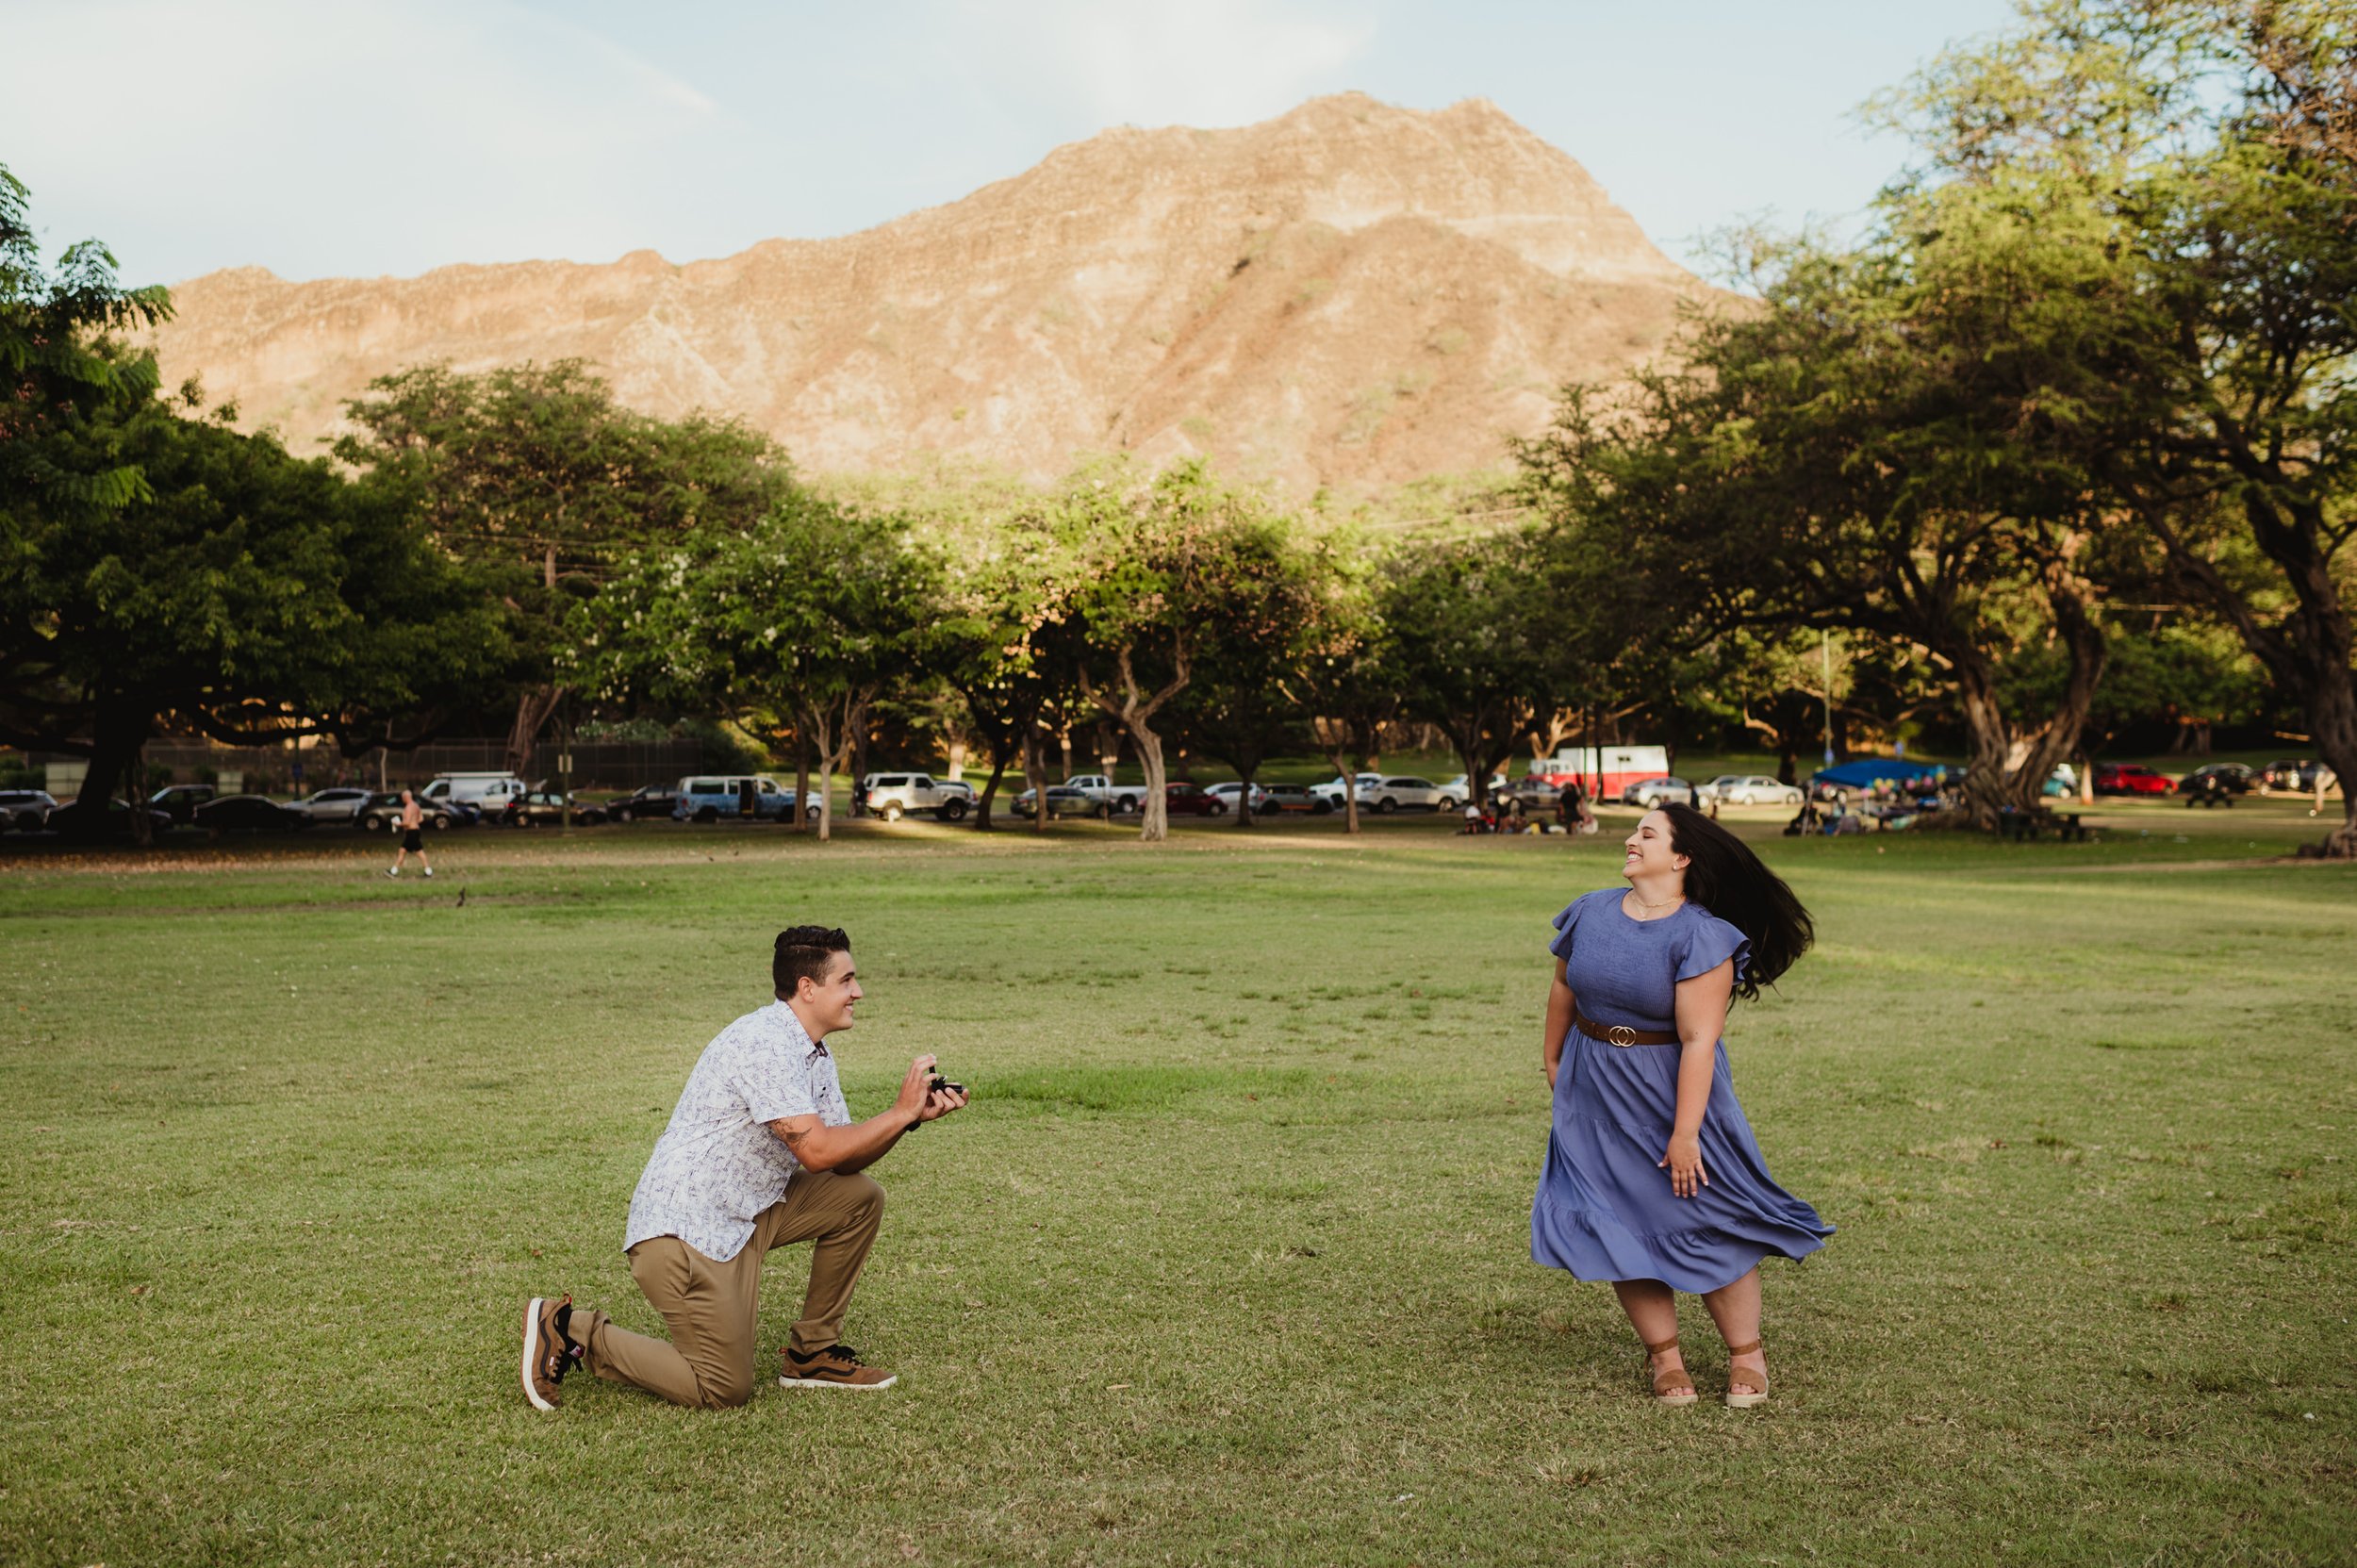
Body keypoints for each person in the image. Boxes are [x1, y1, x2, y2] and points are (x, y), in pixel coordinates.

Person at [519, 926, 966, 1410]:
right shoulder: (764, 1044)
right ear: (808, 987)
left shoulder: (813, 1053)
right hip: (686, 1233)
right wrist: (897, 1111)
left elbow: (841, 1160)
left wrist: (908, 1121)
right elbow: (816, 1153)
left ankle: (812, 1354)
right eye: (847, 980)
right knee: (722, 1388)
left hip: (746, 1216)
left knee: (859, 1198)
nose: (858, 991)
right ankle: (567, 1327)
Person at [1532, 803, 1830, 1409]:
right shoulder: (1589, 910)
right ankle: (1664, 1358)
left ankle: (1747, 1355)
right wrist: (1554, 1060)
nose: (1631, 840)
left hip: (1672, 1089)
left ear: (1683, 856)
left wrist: (1685, 1134)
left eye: (1646, 834)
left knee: (1708, 1216)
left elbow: (1699, 1041)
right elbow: (1564, 986)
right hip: (1595, 1086)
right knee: (1617, 1222)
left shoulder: (1701, 935)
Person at [386, 788, 432, 878]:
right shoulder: (416, 806)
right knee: (413, 851)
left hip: (411, 832)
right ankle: (428, 871)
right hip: (416, 831)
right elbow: (421, 819)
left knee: (408, 851)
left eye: (403, 797)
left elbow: (407, 822)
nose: (402, 799)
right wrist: (414, 822)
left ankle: (393, 871)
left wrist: (397, 824)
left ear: (406, 797)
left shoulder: (408, 808)